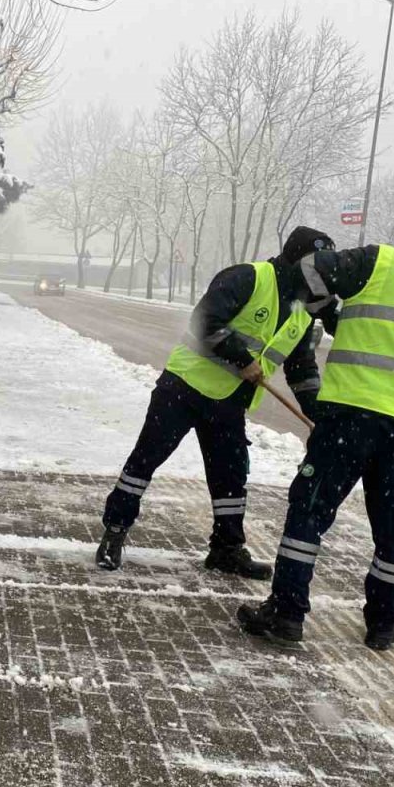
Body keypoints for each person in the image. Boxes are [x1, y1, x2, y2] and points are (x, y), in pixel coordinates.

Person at [237, 209, 394, 651]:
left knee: (310, 511)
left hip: (351, 414)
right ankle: (384, 623)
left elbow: (309, 269)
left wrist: (329, 311)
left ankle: (287, 612)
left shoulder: (381, 261)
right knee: (393, 527)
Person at [96, 227, 338, 578]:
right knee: (145, 461)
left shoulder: (302, 313)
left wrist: (318, 415)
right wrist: (241, 358)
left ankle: (226, 549)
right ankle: (114, 532)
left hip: (228, 403)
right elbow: (205, 320)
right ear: (299, 261)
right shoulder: (249, 278)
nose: (323, 276)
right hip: (184, 388)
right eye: (319, 267)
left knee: (231, 475)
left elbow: (301, 369)